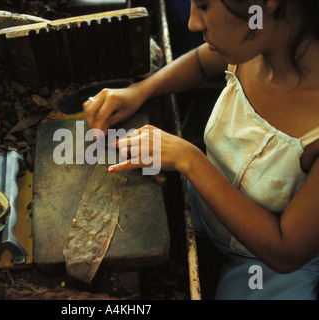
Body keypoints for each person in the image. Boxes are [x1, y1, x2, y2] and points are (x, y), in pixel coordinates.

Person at [82, 0, 319, 300]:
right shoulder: (252, 45)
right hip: (203, 201)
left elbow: (286, 251)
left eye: (205, 5)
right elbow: (200, 61)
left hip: (264, 263)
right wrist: (139, 91)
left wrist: (189, 159)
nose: (193, 22)